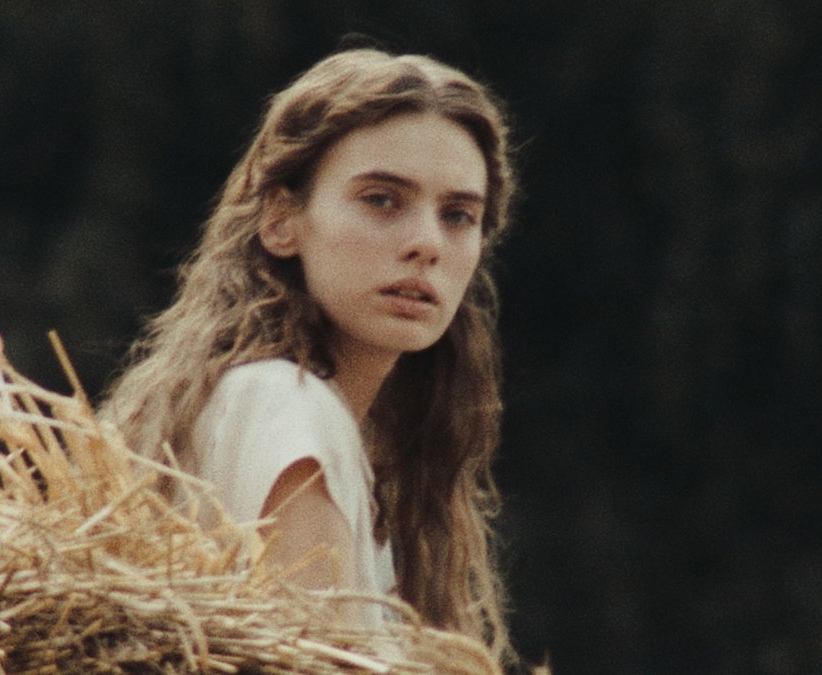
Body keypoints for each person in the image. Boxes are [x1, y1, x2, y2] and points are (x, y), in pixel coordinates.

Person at [101, 47, 517, 664]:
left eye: (458, 215)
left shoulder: (268, 407)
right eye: (382, 199)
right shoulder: (287, 407)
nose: (427, 243)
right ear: (280, 220)